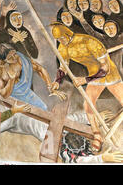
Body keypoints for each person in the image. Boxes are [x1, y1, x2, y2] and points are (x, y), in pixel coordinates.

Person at [51, 23, 123, 152]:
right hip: (93, 76)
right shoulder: (63, 47)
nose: (61, 41)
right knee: (88, 105)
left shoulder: (89, 41)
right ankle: (97, 135)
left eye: (62, 38)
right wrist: (57, 81)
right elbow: (63, 67)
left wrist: (85, 80)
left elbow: (105, 69)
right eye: (59, 39)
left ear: (67, 34)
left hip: (110, 74)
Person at [0, 43, 66, 110]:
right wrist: (11, 80)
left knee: (43, 108)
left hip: (26, 93)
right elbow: (4, 95)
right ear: (3, 60)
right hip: (10, 100)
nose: (14, 58)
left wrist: (50, 86)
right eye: (10, 58)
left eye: (14, 54)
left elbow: (40, 69)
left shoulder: (19, 58)